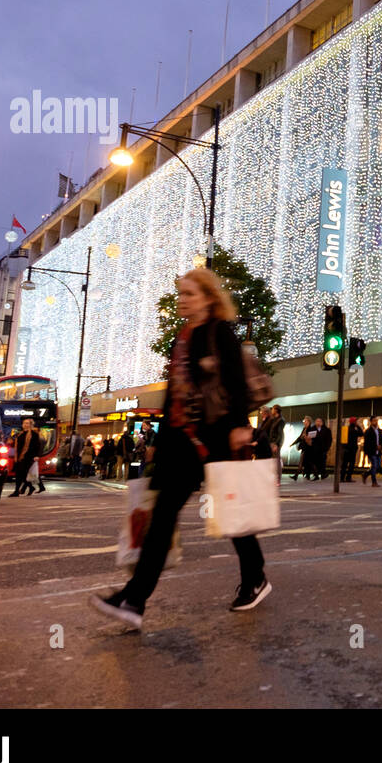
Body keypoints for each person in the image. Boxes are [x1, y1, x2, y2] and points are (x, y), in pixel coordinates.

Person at [91, 267, 268, 630]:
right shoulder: (182, 338)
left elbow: (236, 384)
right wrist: (158, 440)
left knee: (231, 515)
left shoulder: (221, 334)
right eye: (180, 294)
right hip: (179, 442)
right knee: (162, 519)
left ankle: (255, 578)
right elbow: (174, 394)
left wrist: (239, 426)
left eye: (189, 294)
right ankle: (135, 599)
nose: (182, 300)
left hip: (215, 438)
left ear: (208, 297)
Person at [11, 417, 45, 496]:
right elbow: (17, 445)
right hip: (19, 456)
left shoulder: (34, 434)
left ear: (31, 425)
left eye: (27, 423)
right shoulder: (20, 434)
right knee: (20, 474)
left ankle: (18, 491)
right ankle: (26, 488)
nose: (25, 425)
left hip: (29, 456)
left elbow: (37, 446)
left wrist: (37, 455)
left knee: (22, 474)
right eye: (24, 423)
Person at [362, 417, 382, 487]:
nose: (376, 422)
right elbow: (368, 443)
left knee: (378, 467)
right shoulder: (368, 431)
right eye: (374, 421)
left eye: (376, 420)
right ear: (371, 422)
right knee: (374, 466)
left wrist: (381, 446)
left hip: (378, 451)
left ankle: (366, 474)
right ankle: (374, 482)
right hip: (372, 451)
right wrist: (375, 447)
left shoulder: (379, 431)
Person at [311, 416, 332, 480]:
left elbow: (329, 440)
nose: (318, 423)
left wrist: (327, 447)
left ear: (322, 423)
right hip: (314, 449)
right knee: (314, 462)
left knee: (322, 462)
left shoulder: (327, 430)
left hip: (323, 449)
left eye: (319, 421)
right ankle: (316, 475)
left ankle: (323, 474)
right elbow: (310, 438)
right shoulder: (312, 429)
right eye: (317, 421)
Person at [343, 417, 362, 481]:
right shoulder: (354, 430)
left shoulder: (346, 429)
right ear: (354, 422)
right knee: (351, 463)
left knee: (344, 463)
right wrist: (358, 426)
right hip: (352, 449)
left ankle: (342, 477)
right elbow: (361, 433)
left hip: (346, 449)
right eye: (356, 421)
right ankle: (348, 477)